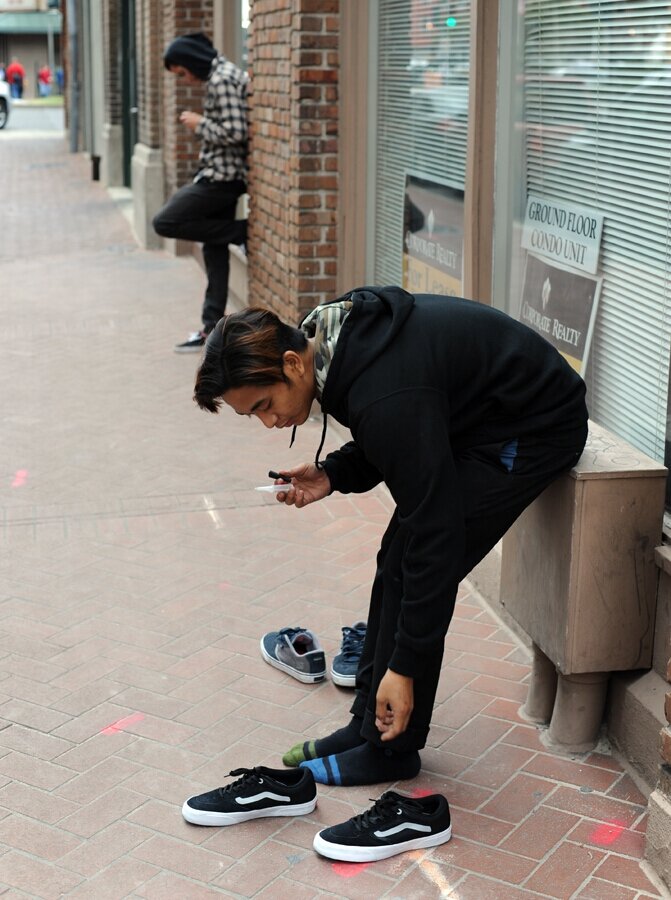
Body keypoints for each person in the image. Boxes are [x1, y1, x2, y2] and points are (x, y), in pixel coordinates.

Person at [193, 286, 589, 787]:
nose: (270, 422)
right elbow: (401, 434)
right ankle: (366, 726)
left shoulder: (381, 388)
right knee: (394, 555)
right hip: (479, 418)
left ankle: (392, 748)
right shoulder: (333, 345)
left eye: (265, 405)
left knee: (419, 555)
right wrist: (333, 472)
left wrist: (404, 667)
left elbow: (436, 533)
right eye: (255, 415)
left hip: (532, 430)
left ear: (292, 363)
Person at [153, 32, 248, 353]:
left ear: (192, 61)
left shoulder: (221, 79)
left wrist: (199, 123)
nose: (186, 79)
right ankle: (212, 330)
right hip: (218, 175)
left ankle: (241, 231)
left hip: (222, 179)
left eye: (183, 72)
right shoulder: (222, 76)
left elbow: (237, 132)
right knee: (214, 250)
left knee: (165, 222)